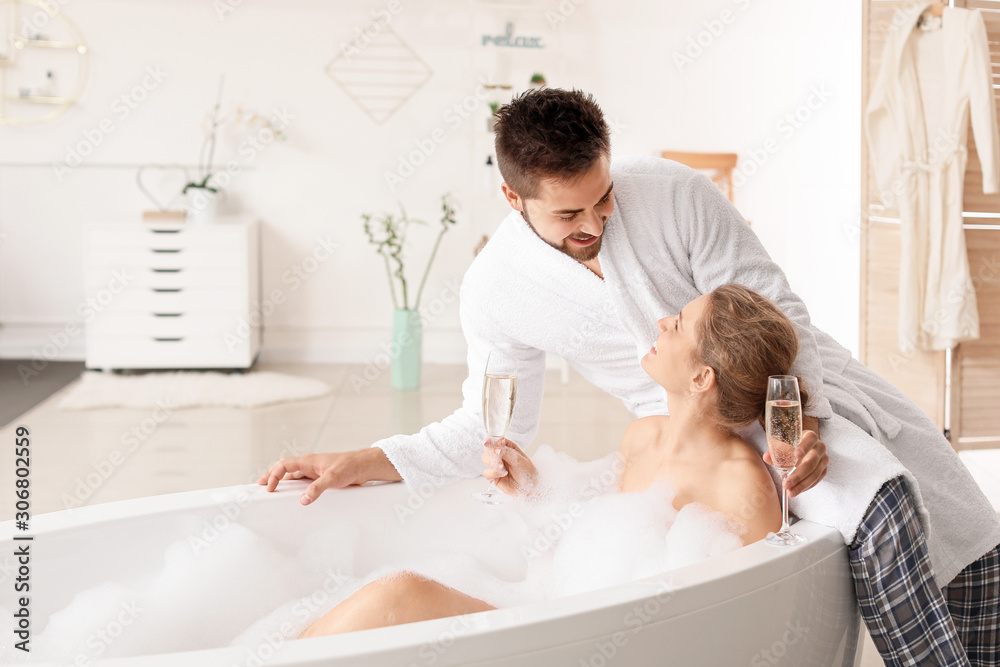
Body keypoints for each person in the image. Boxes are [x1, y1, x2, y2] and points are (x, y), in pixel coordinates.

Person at [261, 88, 1000, 665]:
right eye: (570, 214)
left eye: (604, 195)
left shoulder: (674, 194)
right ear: (514, 200)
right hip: (679, 428)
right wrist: (368, 459)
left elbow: (778, 315)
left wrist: (793, 426)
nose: (596, 221)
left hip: (783, 392)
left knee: (892, 506)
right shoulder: (497, 290)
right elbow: (489, 428)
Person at [298, 285, 787, 638]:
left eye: (678, 324)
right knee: (393, 595)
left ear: (702, 378)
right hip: (556, 612)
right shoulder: (643, 436)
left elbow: (732, 623)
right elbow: (590, 544)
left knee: (399, 596)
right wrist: (534, 492)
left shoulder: (740, 484)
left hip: (593, 643)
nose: (661, 323)